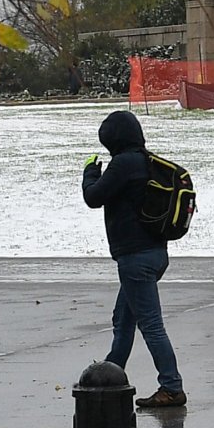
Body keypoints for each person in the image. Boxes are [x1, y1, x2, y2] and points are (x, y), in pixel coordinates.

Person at [82, 109, 185, 410]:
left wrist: (90, 171)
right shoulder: (145, 161)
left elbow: (93, 196)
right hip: (155, 253)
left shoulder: (124, 164)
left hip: (135, 258)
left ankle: (171, 386)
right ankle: (112, 373)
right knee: (124, 318)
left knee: (151, 325)